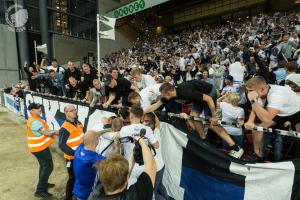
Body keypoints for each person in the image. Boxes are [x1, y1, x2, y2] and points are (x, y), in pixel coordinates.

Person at [150, 81, 244, 158]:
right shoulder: (173, 94)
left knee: (211, 123)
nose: (163, 97)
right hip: (200, 96)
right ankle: (204, 140)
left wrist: (214, 116)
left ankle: (236, 147)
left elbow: (208, 99)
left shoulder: (185, 91)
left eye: (163, 95)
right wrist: (141, 112)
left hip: (209, 93)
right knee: (194, 115)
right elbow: (156, 105)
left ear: (169, 93)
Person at [244, 76, 300, 161]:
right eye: (248, 91)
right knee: (257, 128)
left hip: (296, 110)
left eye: (250, 91)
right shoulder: (262, 90)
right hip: (281, 112)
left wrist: (252, 100)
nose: (249, 94)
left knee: (298, 134)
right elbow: (255, 109)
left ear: (262, 89)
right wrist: (250, 121)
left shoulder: (277, 95)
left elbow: (267, 119)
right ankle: (257, 155)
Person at [87, 139, 157, 200]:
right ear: (126, 182)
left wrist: (133, 154)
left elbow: (118, 176)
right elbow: (151, 165)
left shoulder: (96, 193)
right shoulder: (134, 196)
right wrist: (141, 141)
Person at [120, 106, 159, 186]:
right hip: (143, 166)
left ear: (131, 116)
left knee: (130, 190)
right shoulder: (147, 129)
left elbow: (121, 148)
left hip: (129, 165)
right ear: (141, 117)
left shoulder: (124, 129)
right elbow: (156, 145)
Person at [26, 103, 58, 198]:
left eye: (39, 107)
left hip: (39, 147)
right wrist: (57, 131)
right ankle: (40, 190)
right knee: (48, 167)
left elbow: (45, 131)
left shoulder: (35, 119)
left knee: (44, 166)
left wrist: (53, 132)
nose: (39, 109)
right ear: (31, 111)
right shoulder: (34, 121)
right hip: (38, 148)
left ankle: (44, 184)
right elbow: (45, 132)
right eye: (37, 108)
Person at [59, 105, 84, 200]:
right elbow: (61, 145)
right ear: (65, 113)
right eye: (71, 110)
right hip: (72, 158)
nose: (74, 112)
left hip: (80, 156)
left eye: (75, 110)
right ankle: (68, 197)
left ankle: (76, 193)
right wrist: (74, 153)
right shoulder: (64, 128)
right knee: (72, 178)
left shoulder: (79, 123)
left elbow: (82, 137)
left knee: (79, 176)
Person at [73, 131, 106, 200]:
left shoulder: (79, 149)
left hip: (77, 190)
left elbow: (87, 139)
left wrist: (104, 131)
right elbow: (112, 163)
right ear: (96, 142)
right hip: (87, 195)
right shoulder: (94, 158)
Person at [142, 113, 168, 200]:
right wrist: (151, 112)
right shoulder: (156, 131)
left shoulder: (145, 139)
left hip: (154, 170)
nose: (143, 123)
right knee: (160, 185)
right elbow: (158, 122)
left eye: (146, 122)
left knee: (152, 193)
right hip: (161, 166)